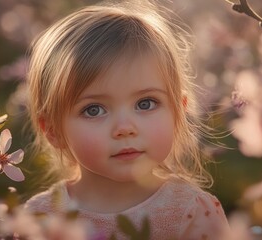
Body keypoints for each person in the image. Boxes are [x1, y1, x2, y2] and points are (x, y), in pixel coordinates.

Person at [24, 1, 229, 239]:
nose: (124, 128)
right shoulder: (38, 218)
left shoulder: (191, 212)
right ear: (52, 130)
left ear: (178, 111)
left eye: (145, 104)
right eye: (94, 110)